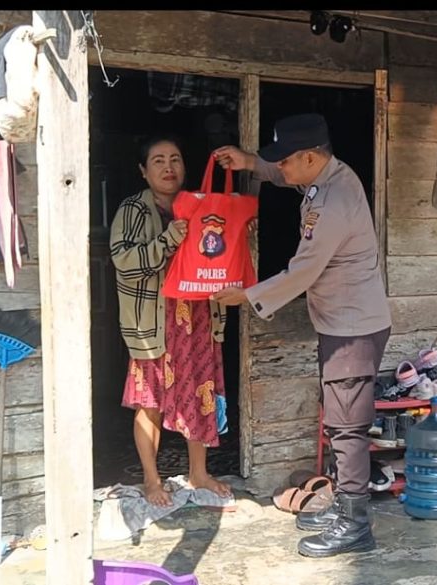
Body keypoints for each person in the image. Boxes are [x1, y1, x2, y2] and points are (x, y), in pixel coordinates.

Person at [211, 113, 392, 558]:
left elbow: (304, 271)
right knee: (337, 420)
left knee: (347, 428)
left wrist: (247, 295)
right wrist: (251, 162)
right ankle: (344, 508)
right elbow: (285, 173)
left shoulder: (332, 202)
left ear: (310, 157)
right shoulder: (326, 175)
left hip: (352, 329)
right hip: (342, 322)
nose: (283, 171)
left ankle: (354, 524)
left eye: (287, 162)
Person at [110, 134, 234, 506]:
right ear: (144, 172)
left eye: (175, 159)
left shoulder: (200, 206)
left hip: (195, 315)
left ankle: (198, 473)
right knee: (150, 400)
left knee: (201, 394)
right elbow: (123, 262)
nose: (168, 167)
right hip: (153, 320)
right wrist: (166, 241)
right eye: (159, 160)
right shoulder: (133, 210)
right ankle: (152, 480)